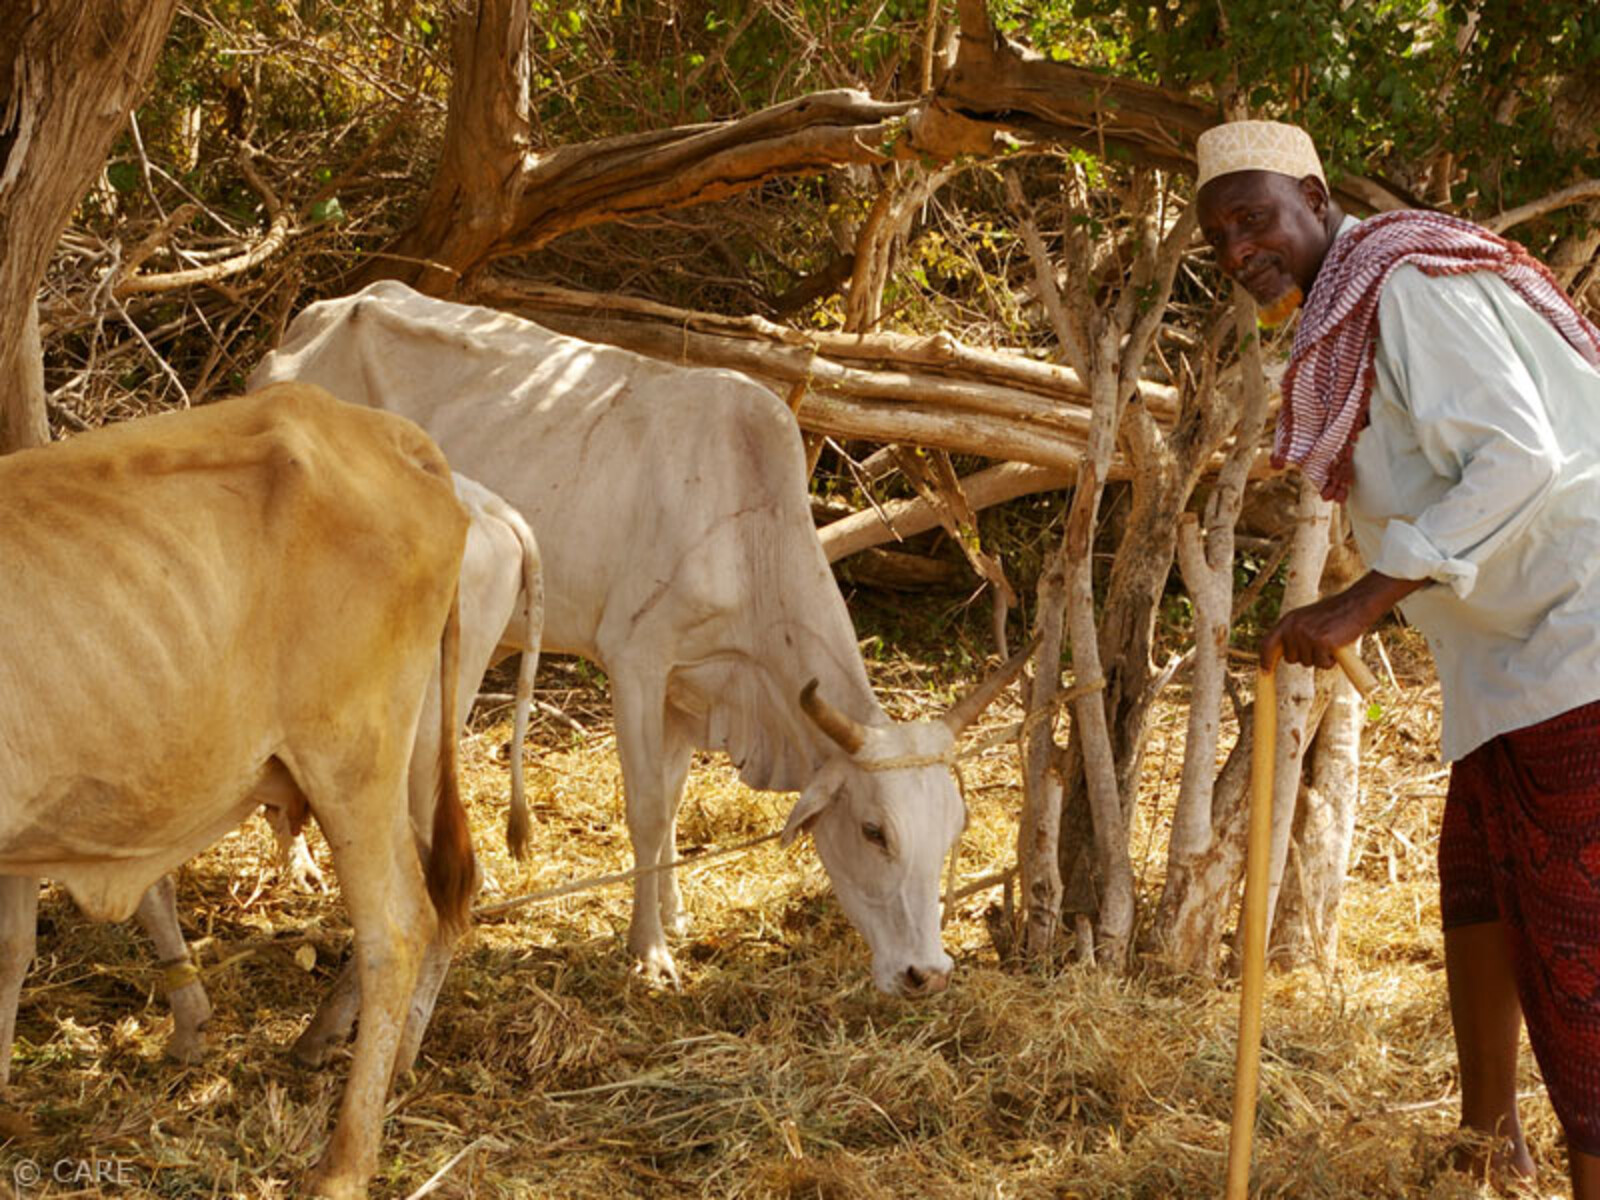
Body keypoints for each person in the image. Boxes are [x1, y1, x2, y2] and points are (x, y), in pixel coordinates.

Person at [1194, 118, 1600, 1197]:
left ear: (1315, 199)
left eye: (1253, 219)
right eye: (1217, 236)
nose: (1237, 251)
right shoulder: (1354, 301)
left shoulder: (1410, 284)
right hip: (1513, 650)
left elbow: (1519, 458)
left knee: (1573, 930)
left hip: (1578, 631)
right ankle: (1486, 1140)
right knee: (1476, 879)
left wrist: (1362, 602)